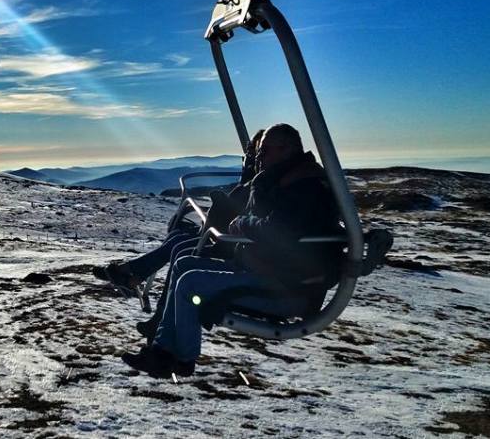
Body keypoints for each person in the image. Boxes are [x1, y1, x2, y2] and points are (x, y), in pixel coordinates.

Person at [121, 123, 344, 378]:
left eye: (265, 152)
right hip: (268, 269)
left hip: (283, 285)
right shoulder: (285, 180)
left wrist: (243, 224)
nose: (259, 158)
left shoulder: (304, 187)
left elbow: (279, 230)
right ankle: (162, 349)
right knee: (184, 264)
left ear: (287, 150)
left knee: (191, 282)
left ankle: (182, 358)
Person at [92, 129, 265, 297]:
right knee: (177, 238)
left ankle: (132, 278)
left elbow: (245, 210)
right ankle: (133, 276)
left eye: (254, 151)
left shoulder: (260, 184)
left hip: (230, 242)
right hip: (225, 235)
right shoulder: (252, 180)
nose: (250, 156)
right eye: (249, 151)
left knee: (179, 246)